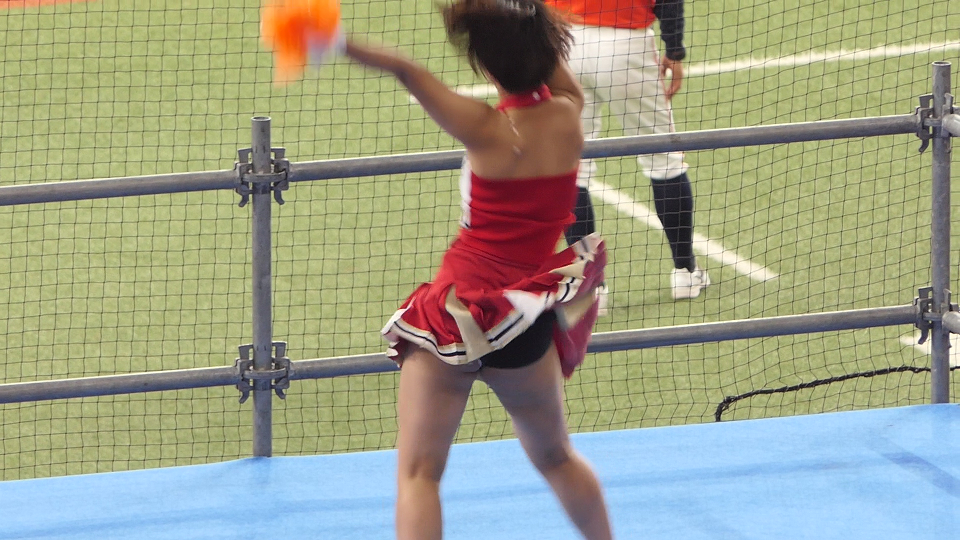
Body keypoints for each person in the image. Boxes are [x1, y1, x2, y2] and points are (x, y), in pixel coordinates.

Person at [343, 0, 614, 538]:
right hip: (523, 318)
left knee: (419, 474)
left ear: (485, 64)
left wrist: (332, 40)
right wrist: (524, 21)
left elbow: (406, 69)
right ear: (548, 50)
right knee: (557, 456)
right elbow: (543, 60)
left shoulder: (489, 129)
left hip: (455, 317)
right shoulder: (569, 112)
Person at [545, 0, 710, 301]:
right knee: (663, 160)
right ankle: (686, 273)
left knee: (572, 166)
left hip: (562, 42)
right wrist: (674, 50)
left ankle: (590, 288)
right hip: (626, 43)